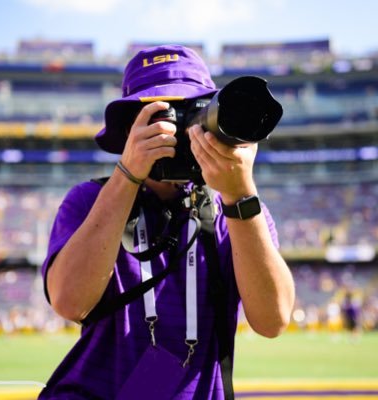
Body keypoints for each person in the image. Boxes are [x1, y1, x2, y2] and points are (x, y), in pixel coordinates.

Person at [38, 44, 295, 400]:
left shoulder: (236, 212)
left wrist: (240, 197)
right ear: (131, 126)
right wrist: (127, 175)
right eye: (163, 114)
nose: (179, 133)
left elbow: (273, 321)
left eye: (192, 113)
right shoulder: (90, 201)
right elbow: (69, 302)